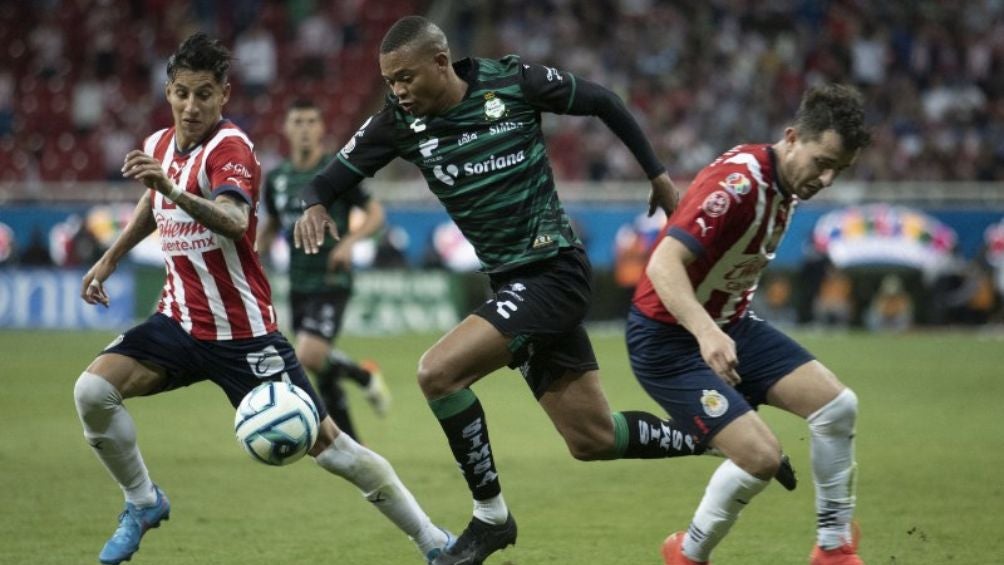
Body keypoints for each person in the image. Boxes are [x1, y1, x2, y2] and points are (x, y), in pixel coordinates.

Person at [294, 16, 793, 565]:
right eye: (389, 81)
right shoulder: (398, 122)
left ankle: (491, 518)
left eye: (406, 78)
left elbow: (604, 101)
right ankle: (723, 434)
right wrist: (314, 206)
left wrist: (656, 174)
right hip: (513, 284)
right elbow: (325, 181)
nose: (398, 91)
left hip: (554, 272)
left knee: (437, 373)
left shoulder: (511, 83)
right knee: (593, 439)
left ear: (440, 62)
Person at [74, 33, 450, 565]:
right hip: (177, 322)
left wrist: (175, 191)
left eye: (204, 94)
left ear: (224, 94)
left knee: (335, 451)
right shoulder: (159, 145)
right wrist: (111, 257)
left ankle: (433, 541)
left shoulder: (231, 149)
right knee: (92, 392)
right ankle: (142, 501)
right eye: (182, 93)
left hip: (244, 335)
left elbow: (233, 219)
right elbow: (153, 199)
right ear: (169, 92)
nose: (191, 106)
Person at [627, 84, 871, 565]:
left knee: (837, 407)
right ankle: (687, 555)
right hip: (668, 340)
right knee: (760, 458)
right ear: (792, 137)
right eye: (823, 163)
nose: (826, 179)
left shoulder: (786, 183)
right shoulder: (738, 186)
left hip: (730, 324)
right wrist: (706, 332)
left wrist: (718, 327)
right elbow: (662, 265)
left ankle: (833, 549)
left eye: (839, 171)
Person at [257, 98, 392, 442]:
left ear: (321, 128)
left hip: (332, 278)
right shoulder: (278, 178)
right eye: (297, 122)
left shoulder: (335, 172)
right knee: (321, 369)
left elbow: (376, 213)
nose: (304, 129)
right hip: (298, 282)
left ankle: (361, 381)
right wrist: (252, 256)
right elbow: (270, 226)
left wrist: (349, 242)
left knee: (309, 355)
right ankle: (353, 442)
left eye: (311, 122)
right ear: (286, 129)